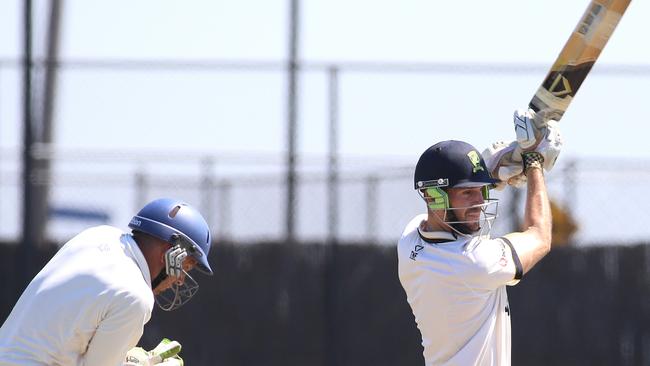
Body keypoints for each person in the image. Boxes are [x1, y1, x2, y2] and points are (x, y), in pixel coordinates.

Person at [397, 108, 562, 365]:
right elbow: (540, 236)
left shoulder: (409, 244)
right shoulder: (475, 262)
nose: (479, 203)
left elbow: (441, 219)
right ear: (432, 196)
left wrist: (493, 174)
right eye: (466, 194)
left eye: (481, 191)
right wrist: (533, 162)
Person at [0, 198, 214, 366]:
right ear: (170, 254)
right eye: (185, 267)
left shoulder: (98, 235)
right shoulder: (136, 297)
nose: (179, 280)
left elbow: (67, 333)